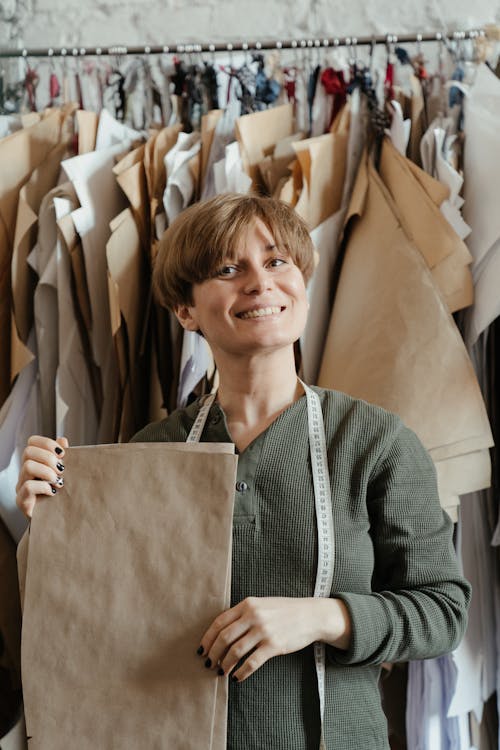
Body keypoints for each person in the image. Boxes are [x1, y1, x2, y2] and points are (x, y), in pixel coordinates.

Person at [16, 193, 471, 749]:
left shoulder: (376, 444)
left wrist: (324, 618)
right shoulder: (152, 451)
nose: (260, 282)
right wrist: (52, 523)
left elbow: (444, 612)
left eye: (277, 261)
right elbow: (96, 626)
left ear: (303, 281)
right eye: (229, 269)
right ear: (185, 310)